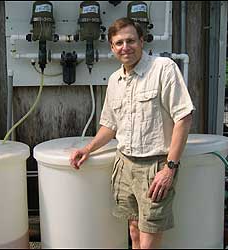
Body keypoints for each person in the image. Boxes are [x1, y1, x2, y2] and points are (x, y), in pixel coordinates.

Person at [69, 17, 195, 249]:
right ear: (112, 48)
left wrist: (170, 168)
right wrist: (87, 149)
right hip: (124, 165)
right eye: (119, 43)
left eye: (130, 41)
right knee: (134, 233)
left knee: (148, 242)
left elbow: (184, 118)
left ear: (142, 41)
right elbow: (110, 126)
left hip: (156, 167)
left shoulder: (163, 69)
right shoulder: (115, 80)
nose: (125, 47)